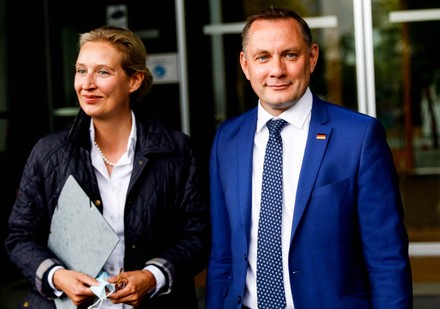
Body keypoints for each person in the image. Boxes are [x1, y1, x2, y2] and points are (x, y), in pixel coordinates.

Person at [206, 7, 412, 309]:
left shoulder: (359, 137)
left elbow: (386, 257)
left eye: (290, 54)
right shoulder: (228, 139)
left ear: (312, 57)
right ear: (245, 64)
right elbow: (222, 254)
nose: (276, 70)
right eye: (263, 57)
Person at [5, 25, 210, 309]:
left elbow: (197, 235)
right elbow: (19, 236)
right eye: (81, 70)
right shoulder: (49, 153)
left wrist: (153, 276)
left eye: (102, 72)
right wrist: (57, 276)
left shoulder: (176, 151)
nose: (86, 84)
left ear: (135, 80)